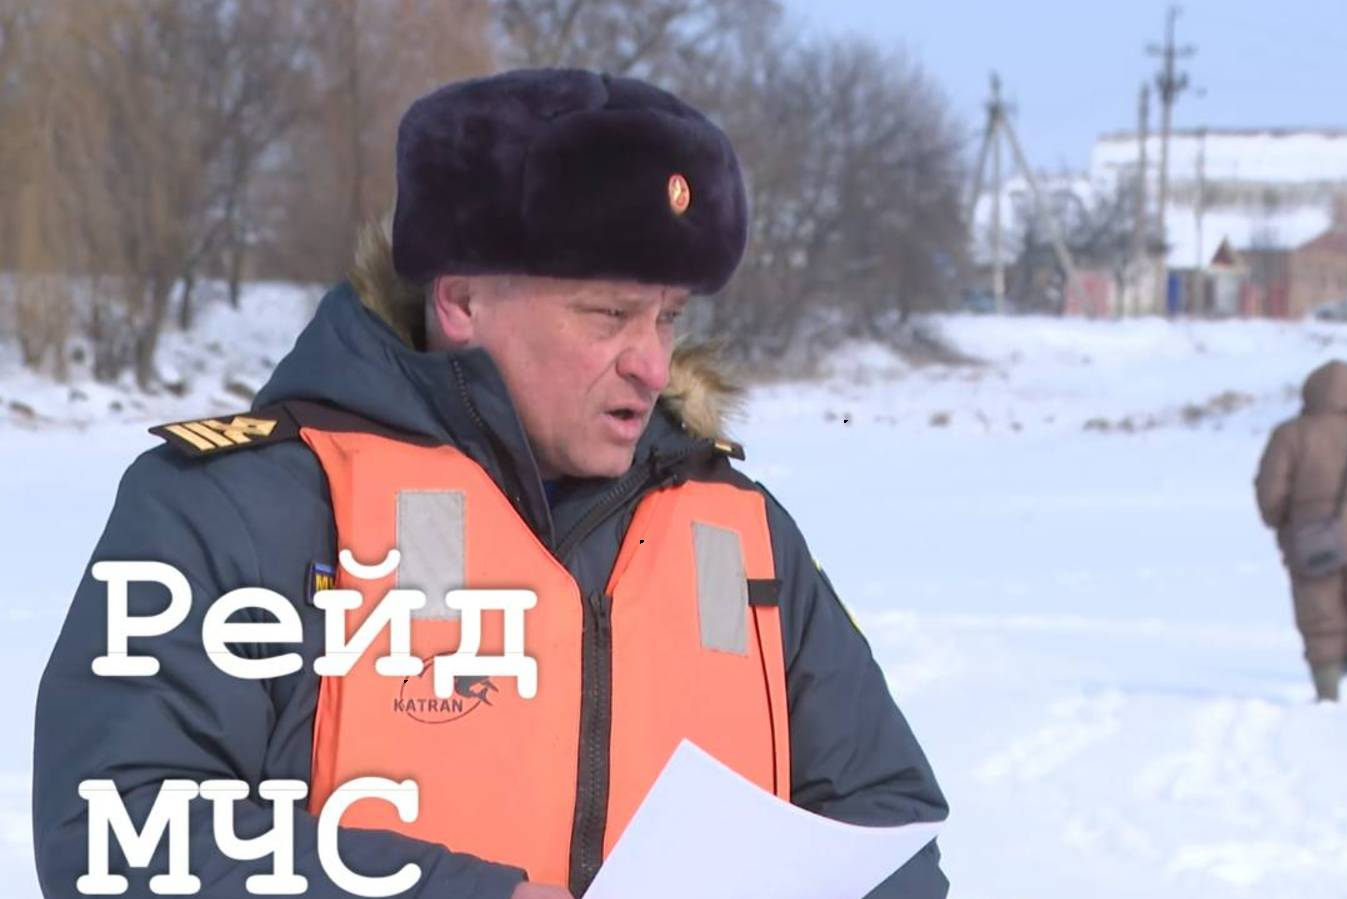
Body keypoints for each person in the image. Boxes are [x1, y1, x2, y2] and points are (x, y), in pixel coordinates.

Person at [33, 69, 948, 898]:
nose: (651, 362)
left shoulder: (739, 531)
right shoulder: (239, 507)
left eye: (669, 316)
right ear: (462, 301)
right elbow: (117, 834)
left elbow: (888, 830)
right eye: (609, 314)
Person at [1255, 360, 1347, 701]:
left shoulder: (1290, 434)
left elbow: (1270, 493)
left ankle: (1327, 694)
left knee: (1320, 614)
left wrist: (1285, 521)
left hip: (1309, 539)